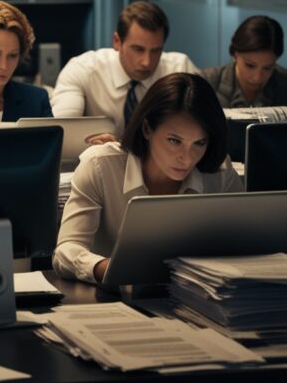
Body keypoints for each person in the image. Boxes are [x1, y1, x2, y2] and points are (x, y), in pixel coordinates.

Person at [53, 73, 242, 284]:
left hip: (199, 299)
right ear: (146, 129)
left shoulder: (220, 172)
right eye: (174, 141)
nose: (186, 158)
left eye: (199, 143)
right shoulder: (101, 165)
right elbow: (66, 251)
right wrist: (108, 269)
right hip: (113, 299)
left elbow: (246, 246)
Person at [51, 1, 198, 139]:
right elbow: (61, 131)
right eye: (138, 49)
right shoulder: (84, 69)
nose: (146, 62)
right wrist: (91, 144)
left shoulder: (180, 71)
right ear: (117, 42)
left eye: (155, 50)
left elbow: (209, 129)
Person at [201, 15, 287, 108]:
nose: (257, 78)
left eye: (267, 68)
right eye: (250, 65)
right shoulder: (208, 82)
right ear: (235, 54)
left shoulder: (284, 84)